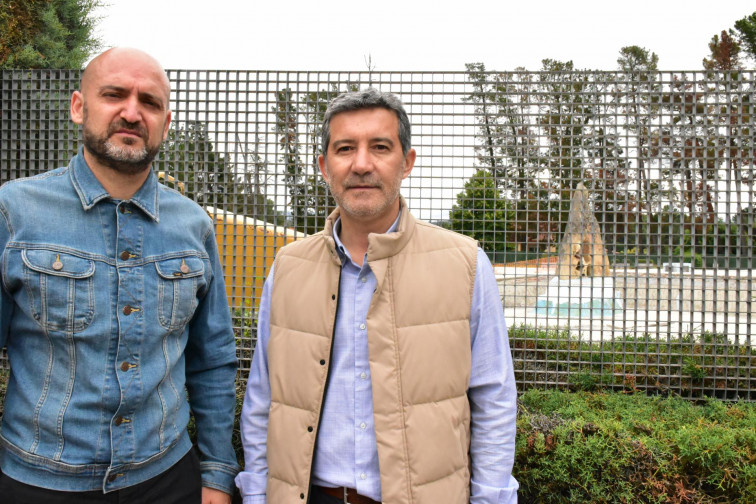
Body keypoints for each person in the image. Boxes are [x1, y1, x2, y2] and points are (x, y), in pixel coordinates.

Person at [235, 88, 518, 504]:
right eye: (345, 148)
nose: (362, 164)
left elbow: (494, 399)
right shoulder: (288, 268)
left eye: (380, 147)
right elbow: (263, 399)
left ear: (407, 162)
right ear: (324, 166)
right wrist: (257, 496)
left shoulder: (467, 265)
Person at [0, 48, 239, 504]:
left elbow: (213, 360)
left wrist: (215, 474)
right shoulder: (14, 212)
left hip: (167, 480)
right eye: (114, 95)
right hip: (37, 482)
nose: (132, 113)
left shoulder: (194, 226)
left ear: (165, 123)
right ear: (78, 106)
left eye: (149, 102)